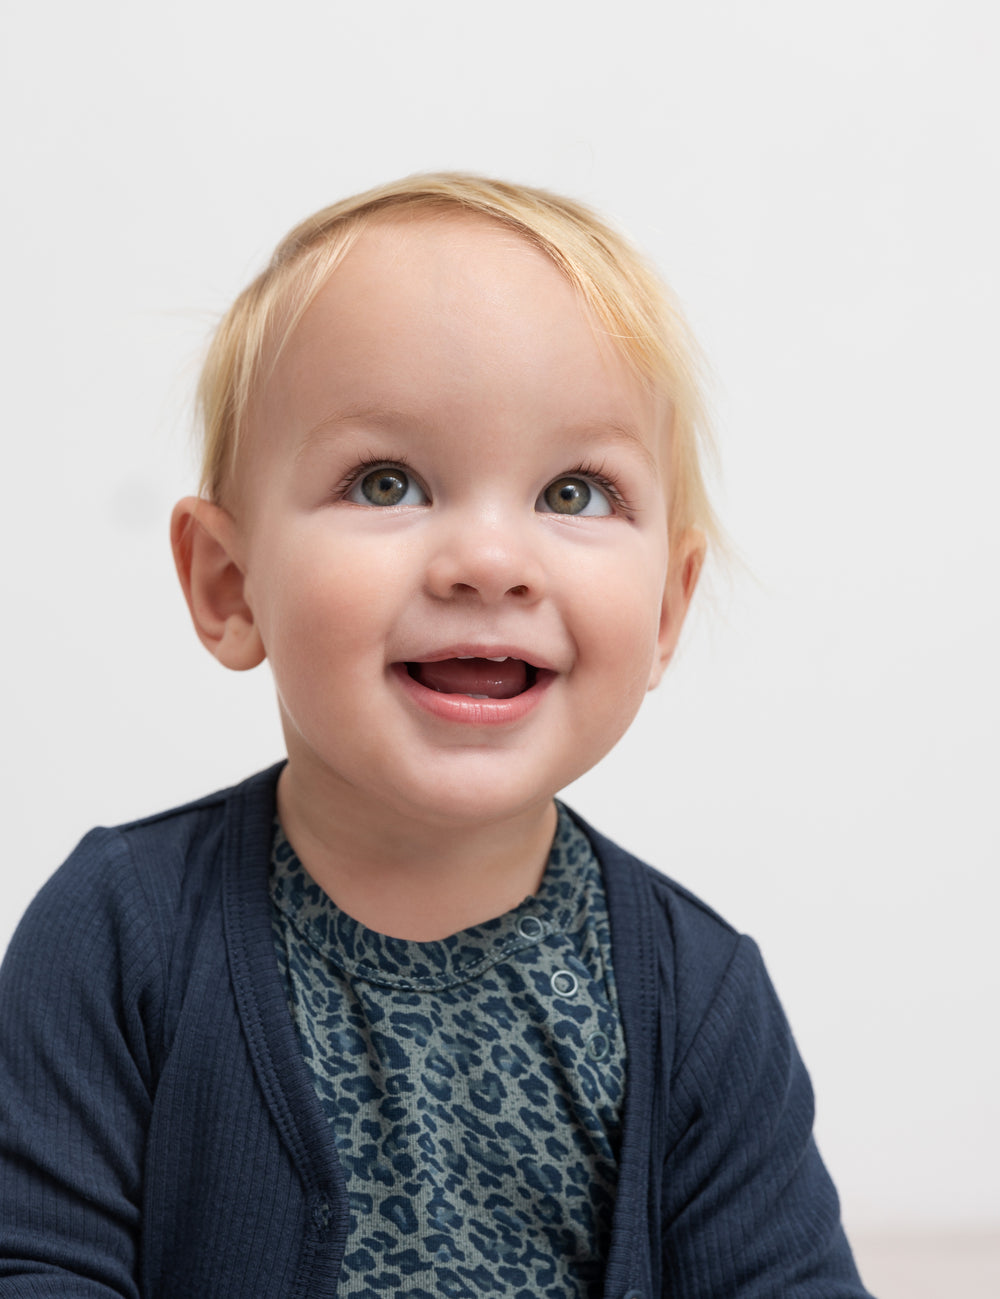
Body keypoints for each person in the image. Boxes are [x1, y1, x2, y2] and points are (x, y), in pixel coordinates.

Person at [0, 175, 873, 1298]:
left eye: (572, 492)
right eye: (387, 481)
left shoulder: (697, 996)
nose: (488, 560)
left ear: (664, 613)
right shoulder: (118, 936)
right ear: (230, 585)